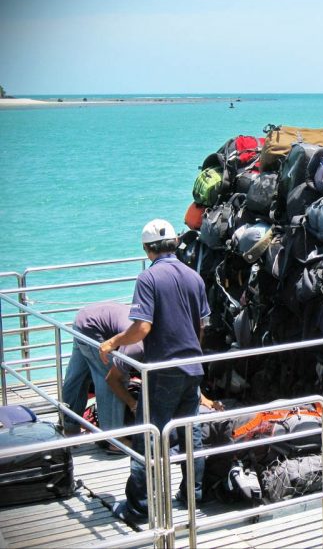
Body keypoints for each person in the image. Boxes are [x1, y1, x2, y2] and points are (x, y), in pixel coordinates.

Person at [99, 218, 210, 523]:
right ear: (175, 243)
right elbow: (202, 326)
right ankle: (192, 495)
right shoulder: (194, 277)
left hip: (164, 370)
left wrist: (112, 342)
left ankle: (140, 508)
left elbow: (142, 328)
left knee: (147, 436)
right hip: (193, 367)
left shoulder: (148, 279)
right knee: (191, 433)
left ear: (147, 249)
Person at [61, 302, 143, 440]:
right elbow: (112, 379)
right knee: (112, 377)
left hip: (84, 318)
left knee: (78, 377)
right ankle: (114, 439)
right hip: (93, 327)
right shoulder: (136, 346)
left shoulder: (144, 330)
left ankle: (69, 428)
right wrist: (133, 405)